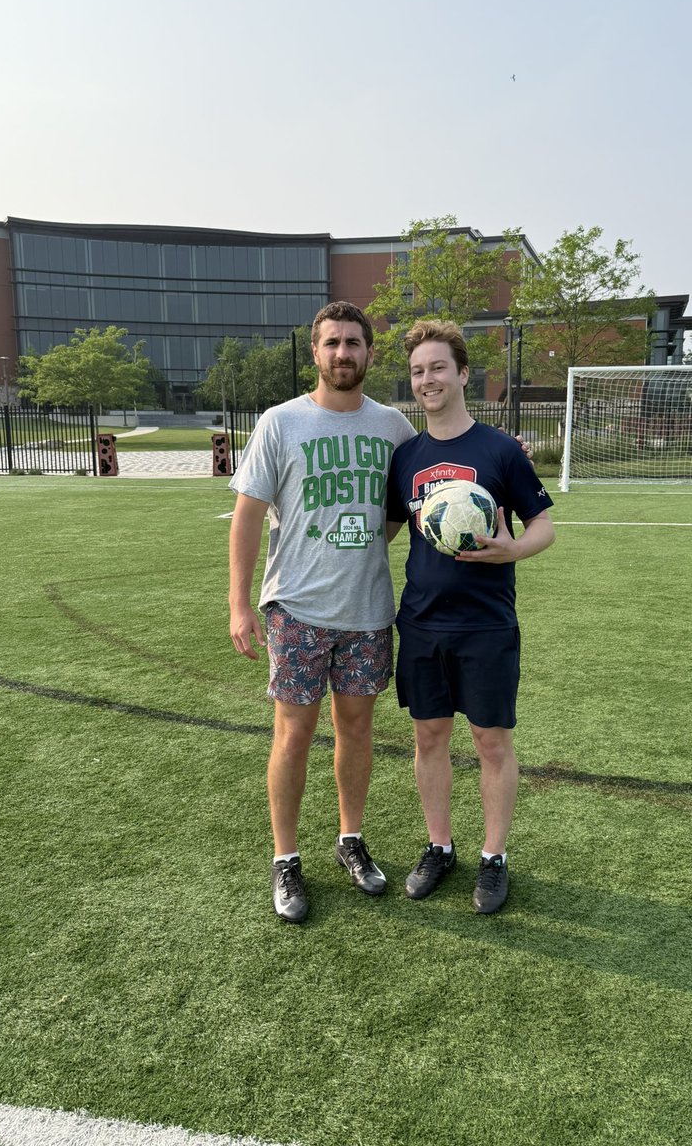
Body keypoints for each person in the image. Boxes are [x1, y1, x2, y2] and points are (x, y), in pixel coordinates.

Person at [228, 300, 416, 923]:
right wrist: (239, 603)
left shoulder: (392, 427)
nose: (343, 353)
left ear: (369, 353)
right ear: (315, 352)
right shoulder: (281, 423)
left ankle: (350, 840)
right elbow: (249, 515)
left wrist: (363, 546)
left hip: (366, 609)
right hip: (298, 609)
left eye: (354, 343)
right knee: (295, 733)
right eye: (332, 342)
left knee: (358, 729)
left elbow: (406, 502)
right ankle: (286, 858)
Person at [386, 320, 556, 915]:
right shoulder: (405, 457)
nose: (427, 379)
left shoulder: (500, 449)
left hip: (486, 624)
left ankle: (493, 856)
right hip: (422, 623)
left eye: (437, 368)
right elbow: (386, 533)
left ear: (462, 374)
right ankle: (439, 846)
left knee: (490, 741)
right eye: (417, 371)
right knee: (428, 736)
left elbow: (543, 525)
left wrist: (515, 550)